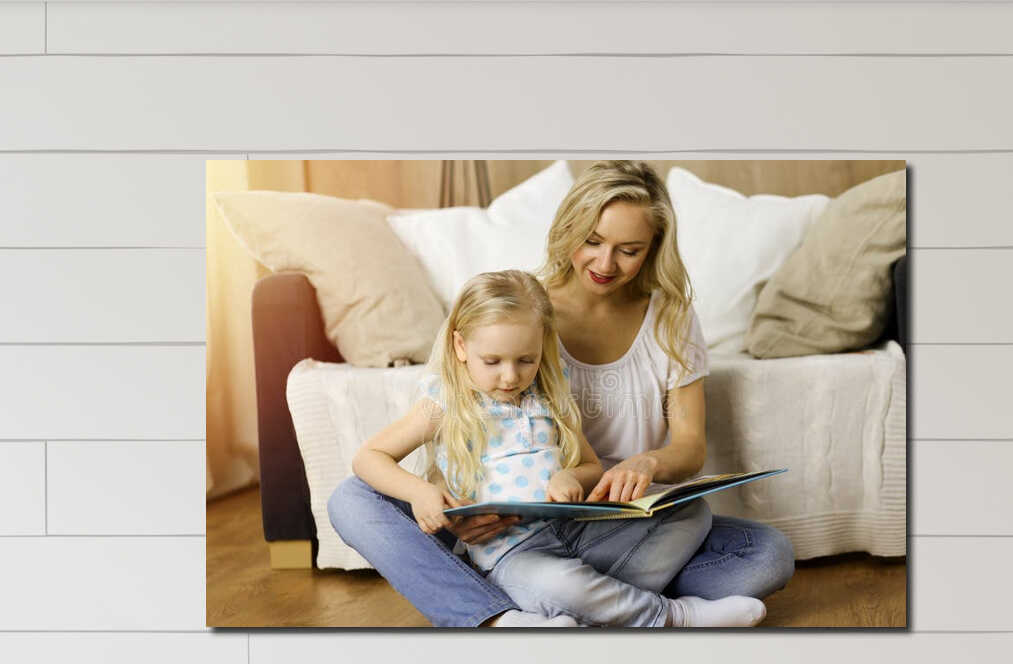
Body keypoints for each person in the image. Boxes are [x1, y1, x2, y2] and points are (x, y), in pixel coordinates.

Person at [329, 161, 795, 626]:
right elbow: (453, 424)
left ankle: (562, 601)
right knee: (353, 499)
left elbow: (689, 448)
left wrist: (647, 463)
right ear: (569, 228)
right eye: (592, 241)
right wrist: (452, 506)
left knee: (766, 554)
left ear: (653, 248)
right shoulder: (521, 311)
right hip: (504, 532)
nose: (605, 264)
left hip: (614, 522)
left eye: (629, 250)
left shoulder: (669, 318)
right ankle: (508, 613)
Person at [349, 271, 766, 629]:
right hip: (513, 553)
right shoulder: (445, 404)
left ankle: (579, 608)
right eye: (492, 361)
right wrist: (419, 492)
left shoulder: (547, 398)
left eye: (525, 360)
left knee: (692, 513)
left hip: (576, 531)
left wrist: (570, 476)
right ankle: (672, 616)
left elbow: (589, 464)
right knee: (563, 585)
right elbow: (369, 457)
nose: (510, 377)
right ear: (460, 347)